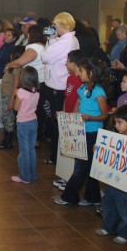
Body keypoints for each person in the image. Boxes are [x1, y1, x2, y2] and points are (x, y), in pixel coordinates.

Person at [53, 58, 109, 206]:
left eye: (82, 72)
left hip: (93, 133)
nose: (79, 75)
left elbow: (104, 115)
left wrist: (90, 117)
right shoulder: (83, 88)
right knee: (89, 165)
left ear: (90, 74)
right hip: (82, 131)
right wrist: (68, 116)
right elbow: (78, 106)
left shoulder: (99, 92)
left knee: (81, 166)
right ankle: (93, 197)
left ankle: (69, 196)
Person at [96, 105, 127, 245]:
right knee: (109, 206)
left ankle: (125, 232)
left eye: (119, 122)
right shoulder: (116, 137)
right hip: (112, 180)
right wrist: (99, 149)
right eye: (116, 122)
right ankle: (109, 227)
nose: (116, 126)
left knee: (125, 210)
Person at [40, 12, 80, 165]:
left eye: (56, 24)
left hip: (58, 85)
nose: (53, 27)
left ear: (62, 25)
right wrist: (52, 41)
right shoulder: (69, 39)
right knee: (58, 121)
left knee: (58, 122)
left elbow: (45, 57)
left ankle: (56, 156)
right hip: (61, 83)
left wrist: (50, 43)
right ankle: (58, 155)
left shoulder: (65, 42)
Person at [52, 49, 84, 191]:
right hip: (68, 118)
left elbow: (79, 99)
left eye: (68, 61)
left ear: (74, 63)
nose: (66, 63)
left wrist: (72, 116)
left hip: (75, 120)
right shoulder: (70, 78)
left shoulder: (81, 79)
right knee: (65, 148)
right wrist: (64, 113)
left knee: (74, 151)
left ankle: (70, 179)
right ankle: (65, 177)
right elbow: (67, 96)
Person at [12, 66, 40, 184]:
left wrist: (15, 96)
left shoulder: (21, 92)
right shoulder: (36, 92)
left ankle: (25, 177)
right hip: (33, 122)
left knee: (24, 151)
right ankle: (33, 174)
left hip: (23, 124)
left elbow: (16, 107)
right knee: (31, 150)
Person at [0, 45, 24, 150]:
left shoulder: (16, 68)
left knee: (8, 119)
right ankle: (6, 139)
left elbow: (16, 84)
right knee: (6, 118)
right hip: (6, 95)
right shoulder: (12, 67)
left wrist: (12, 99)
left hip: (9, 96)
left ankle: (8, 142)